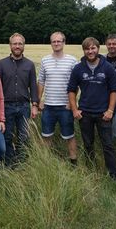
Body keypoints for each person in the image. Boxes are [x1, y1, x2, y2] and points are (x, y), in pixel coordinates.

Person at [68, 37, 116, 180]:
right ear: (84, 50)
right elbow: (71, 90)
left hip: (103, 114)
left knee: (108, 145)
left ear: (98, 49)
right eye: (87, 49)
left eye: (93, 48)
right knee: (88, 144)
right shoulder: (78, 68)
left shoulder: (107, 67)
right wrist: (75, 110)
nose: (90, 51)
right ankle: (91, 171)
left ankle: (114, 175)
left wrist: (110, 110)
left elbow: (114, 90)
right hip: (84, 114)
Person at [0, 33, 39, 166]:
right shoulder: (2, 64)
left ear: (23, 46)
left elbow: (33, 85)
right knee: (6, 137)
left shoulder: (30, 65)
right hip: (6, 107)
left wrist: (35, 105)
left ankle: (21, 164)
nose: (17, 46)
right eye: (15, 44)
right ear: (10, 46)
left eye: (20, 44)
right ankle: (9, 164)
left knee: (24, 137)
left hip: (24, 106)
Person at [37, 32, 78, 165]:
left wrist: (71, 103)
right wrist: (39, 100)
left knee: (69, 136)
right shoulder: (45, 60)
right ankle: (45, 162)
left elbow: (75, 84)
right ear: (51, 43)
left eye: (59, 41)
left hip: (65, 107)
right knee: (46, 136)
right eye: (53, 41)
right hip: (48, 106)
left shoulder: (72, 60)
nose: (56, 43)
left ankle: (73, 163)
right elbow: (41, 81)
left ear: (64, 42)